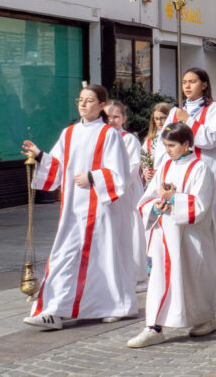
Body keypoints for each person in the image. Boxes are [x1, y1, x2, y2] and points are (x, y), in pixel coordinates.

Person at [21, 84, 137, 331]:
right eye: (80, 100)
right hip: (73, 208)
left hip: (101, 208)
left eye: (89, 100)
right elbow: (59, 166)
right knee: (65, 256)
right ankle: (53, 310)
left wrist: (93, 177)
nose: (83, 104)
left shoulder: (109, 134)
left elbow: (119, 174)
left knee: (103, 258)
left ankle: (115, 306)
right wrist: (40, 155)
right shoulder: (69, 133)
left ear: (102, 105)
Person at [128, 122, 216, 347]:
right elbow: (146, 199)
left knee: (193, 279)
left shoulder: (200, 168)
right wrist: (158, 205)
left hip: (191, 237)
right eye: (165, 145)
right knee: (160, 277)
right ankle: (154, 326)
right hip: (165, 235)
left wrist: (174, 199)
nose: (167, 150)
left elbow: (201, 205)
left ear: (186, 144)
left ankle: (205, 319)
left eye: (172, 145)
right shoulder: (165, 167)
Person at [165, 68, 216, 212]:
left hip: (204, 166)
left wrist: (188, 120)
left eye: (192, 82)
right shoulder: (176, 111)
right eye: (184, 82)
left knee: (200, 213)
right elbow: (164, 141)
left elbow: (211, 139)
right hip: (177, 168)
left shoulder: (214, 108)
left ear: (204, 85)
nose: (187, 86)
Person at [105, 100, 148, 290]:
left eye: (116, 116)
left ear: (124, 118)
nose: (112, 120)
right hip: (106, 191)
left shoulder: (128, 139)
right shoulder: (102, 138)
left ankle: (137, 275)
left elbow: (131, 167)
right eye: (108, 117)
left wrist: (114, 186)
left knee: (132, 231)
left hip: (126, 192)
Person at [142, 102, 172, 182]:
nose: (159, 122)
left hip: (169, 177)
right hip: (153, 180)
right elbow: (143, 156)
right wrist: (146, 171)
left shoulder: (175, 136)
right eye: (157, 118)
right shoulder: (150, 138)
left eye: (163, 118)